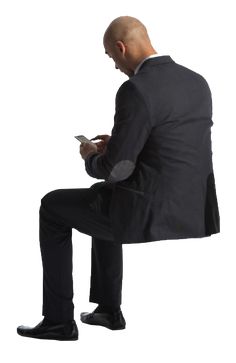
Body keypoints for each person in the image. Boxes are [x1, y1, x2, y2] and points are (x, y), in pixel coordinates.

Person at [17, 15, 220, 341]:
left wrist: (92, 157)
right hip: (195, 209)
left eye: (111, 57)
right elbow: (170, 145)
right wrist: (121, 144)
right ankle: (108, 310)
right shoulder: (197, 81)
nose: (114, 66)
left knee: (53, 205)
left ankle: (58, 321)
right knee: (103, 196)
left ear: (121, 48)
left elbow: (117, 170)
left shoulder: (135, 89)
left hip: (149, 213)